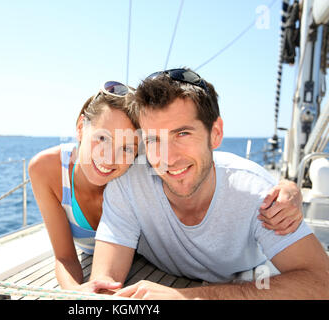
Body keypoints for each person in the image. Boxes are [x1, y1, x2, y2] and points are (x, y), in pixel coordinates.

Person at [29, 80, 305, 292]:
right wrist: (78, 295)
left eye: (127, 147)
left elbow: (201, 163)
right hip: (119, 264)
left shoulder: (140, 167)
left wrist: (288, 188)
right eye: (102, 138)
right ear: (81, 127)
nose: (110, 157)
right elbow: (69, 259)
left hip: (188, 269)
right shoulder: (52, 169)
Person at [87, 69, 329, 299]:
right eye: (154, 139)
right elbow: (103, 284)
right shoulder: (127, 185)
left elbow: (327, 285)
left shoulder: (256, 193)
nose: (168, 158)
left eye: (182, 134)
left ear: (215, 133)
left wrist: (193, 298)